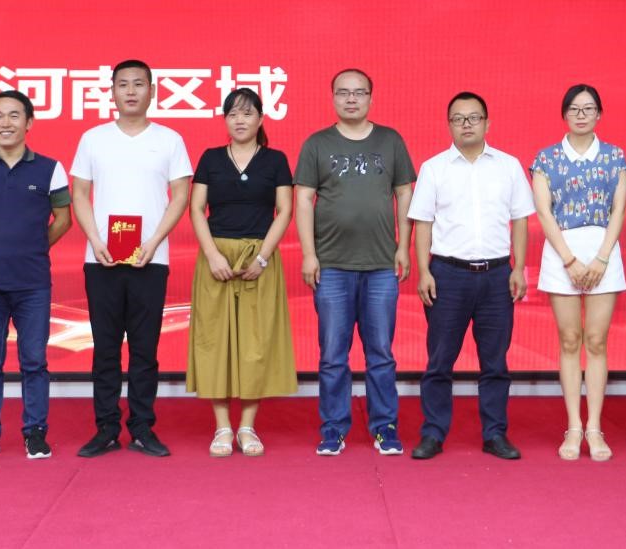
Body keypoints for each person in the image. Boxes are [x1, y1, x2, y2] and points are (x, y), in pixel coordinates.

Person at [71, 60, 192, 458]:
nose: (131, 91)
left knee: (144, 349)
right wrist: (95, 239)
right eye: (123, 84)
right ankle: (106, 428)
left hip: (150, 260)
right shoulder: (93, 139)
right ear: (112, 92)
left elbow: (181, 195)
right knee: (105, 348)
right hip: (101, 259)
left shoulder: (170, 139)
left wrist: (154, 241)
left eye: (139, 84)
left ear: (152, 91)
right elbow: (80, 194)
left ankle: (142, 427)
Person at [294, 68, 415, 456]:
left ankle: (385, 426)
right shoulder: (317, 144)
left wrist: (404, 247)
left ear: (371, 98)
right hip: (331, 265)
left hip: (381, 265)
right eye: (343, 92)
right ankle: (333, 428)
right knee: (333, 355)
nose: (351, 99)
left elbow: (404, 193)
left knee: (381, 353)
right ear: (332, 98)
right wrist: (309, 254)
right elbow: (302, 200)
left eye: (359, 92)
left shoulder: (390, 140)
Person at [409, 92, 535, 461]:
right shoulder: (434, 168)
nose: (466, 124)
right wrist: (424, 271)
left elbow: (520, 219)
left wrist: (518, 267)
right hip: (448, 274)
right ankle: (433, 433)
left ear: (487, 123)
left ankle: (495, 433)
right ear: (449, 124)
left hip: (497, 276)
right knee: (439, 361)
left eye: (474, 117)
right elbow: (423, 223)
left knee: (495, 362)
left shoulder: (508, 166)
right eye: (458, 118)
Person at [0, 90, 72, 460]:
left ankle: (35, 432)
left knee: (34, 361)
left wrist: (33, 247)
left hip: (32, 283)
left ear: (29, 122)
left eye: (14, 115)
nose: (5, 123)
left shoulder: (50, 168)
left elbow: (64, 219)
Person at [186, 88, 297, 457]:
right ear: (224, 120)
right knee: (214, 342)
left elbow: (285, 210)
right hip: (216, 258)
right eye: (233, 114)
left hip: (258, 259)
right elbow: (196, 208)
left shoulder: (276, 160)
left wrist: (263, 257)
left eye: (247, 113)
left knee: (255, 344)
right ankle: (222, 427)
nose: (240, 120)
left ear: (261, 119)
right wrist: (212, 255)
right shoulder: (211, 158)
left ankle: (247, 426)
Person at [530, 84, 626, 461]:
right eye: (574, 108)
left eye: (588, 109)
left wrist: (601, 258)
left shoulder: (615, 156)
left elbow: (619, 210)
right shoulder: (546, 158)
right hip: (562, 252)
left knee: (597, 341)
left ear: (599, 114)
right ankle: (573, 426)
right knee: (570, 340)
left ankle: (595, 428)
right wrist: (570, 260)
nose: (581, 115)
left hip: (604, 250)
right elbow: (544, 213)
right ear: (564, 114)